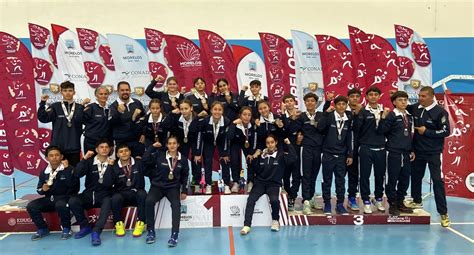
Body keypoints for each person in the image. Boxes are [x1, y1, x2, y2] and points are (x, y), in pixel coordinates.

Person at [408, 86, 451, 227]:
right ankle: (416, 200)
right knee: (415, 176)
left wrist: (426, 132)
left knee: (437, 181)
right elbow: (400, 106)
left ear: (432, 96)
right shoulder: (415, 108)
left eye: (424, 96)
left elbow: (446, 131)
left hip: (433, 152)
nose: (420, 98)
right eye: (419, 95)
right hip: (418, 151)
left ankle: (443, 214)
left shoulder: (440, 112)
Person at [240, 135, 296, 235]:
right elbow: (255, 168)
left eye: (272, 142)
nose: (270, 145)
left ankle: (275, 221)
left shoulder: (281, 155)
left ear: (276, 143)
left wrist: (289, 144)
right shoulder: (262, 154)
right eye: (268, 143)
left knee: (274, 200)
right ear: (266, 144)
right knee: (251, 200)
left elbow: (292, 158)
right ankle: (247, 225)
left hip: (274, 184)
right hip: (260, 183)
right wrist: (255, 157)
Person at [142, 136, 189, 246]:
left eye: (174, 143)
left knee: (176, 205)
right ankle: (151, 231)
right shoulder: (159, 155)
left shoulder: (183, 159)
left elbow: (185, 175)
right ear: (167, 145)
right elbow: (144, 160)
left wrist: (184, 190)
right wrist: (151, 147)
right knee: (149, 201)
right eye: (170, 143)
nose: (172, 145)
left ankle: (174, 234)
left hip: (173, 187)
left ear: (178, 145)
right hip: (157, 186)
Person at [68, 139, 115, 246]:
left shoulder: (113, 163)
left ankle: (96, 231)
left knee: (108, 201)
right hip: (89, 194)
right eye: (101, 147)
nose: (104, 149)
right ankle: (85, 227)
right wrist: (84, 159)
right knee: (73, 201)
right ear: (96, 149)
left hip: (104, 194)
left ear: (110, 149)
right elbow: (77, 174)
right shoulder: (89, 162)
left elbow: (111, 182)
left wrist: (111, 167)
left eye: (106, 147)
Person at [26, 146, 78, 240]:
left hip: (65, 197)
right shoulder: (44, 172)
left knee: (60, 204)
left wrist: (66, 170)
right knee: (31, 206)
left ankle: (67, 228)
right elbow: (39, 189)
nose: (54, 157)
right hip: (50, 199)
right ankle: (42, 228)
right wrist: (43, 189)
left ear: (61, 156)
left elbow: (73, 185)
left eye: (57, 155)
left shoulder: (70, 169)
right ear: (47, 158)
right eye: (51, 155)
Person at [378, 91, 415, 216]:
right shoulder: (392, 115)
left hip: (406, 153)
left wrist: (411, 150)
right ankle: (392, 203)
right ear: (394, 102)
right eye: (400, 100)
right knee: (392, 180)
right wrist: (383, 117)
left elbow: (410, 135)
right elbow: (382, 131)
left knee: (405, 179)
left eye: (405, 100)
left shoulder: (409, 116)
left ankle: (400, 201)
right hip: (393, 152)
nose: (403, 102)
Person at [353, 86, 386, 214]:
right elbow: (356, 130)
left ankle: (378, 199)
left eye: (375, 94)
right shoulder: (363, 111)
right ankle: (366, 200)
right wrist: (358, 116)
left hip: (381, 148)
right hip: (366, 148)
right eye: (370, 94)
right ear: (366, 97)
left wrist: (383, 118)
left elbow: (386, 130)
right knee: (365, 176)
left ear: (379, 96)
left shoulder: (385, 111)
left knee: (380, 175)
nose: (373, 96)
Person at [318, 96, 353, 215]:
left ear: (346, 105)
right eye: (339, 104)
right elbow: (320, 128)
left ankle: (339, 204)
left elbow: (349, 139)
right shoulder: (329, 116)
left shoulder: (348, 118)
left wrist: (350, 154)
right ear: (335, 105)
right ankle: (327, 203)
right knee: (326, 180)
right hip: (328, 154)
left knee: (340, 181)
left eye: (344, 104)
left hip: (342, 155)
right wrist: (325, 114)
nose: (341, 106)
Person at [290, 93, 325, 215]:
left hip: (318, 149)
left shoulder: (321, 116)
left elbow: (323, 129)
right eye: (307, 101)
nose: (310, 103)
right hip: (306, 149)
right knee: (306, 175)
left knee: (314, 175)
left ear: (316, 103)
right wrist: (293, 119)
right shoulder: (301, 116)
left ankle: (311, 198)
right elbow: (294, 130)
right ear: (304, 103)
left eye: (312, 101)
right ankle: (305, 201)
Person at [37, 81, 84, 166]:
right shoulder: (55, 107)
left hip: (74, 148)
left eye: (70, 90)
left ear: (74, 92)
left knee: (74, 175)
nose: (68, 93)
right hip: (57, 149)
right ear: (61, 92)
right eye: (65, 90)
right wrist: (42, 103)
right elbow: (43, 118)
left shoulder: (80, 107)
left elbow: (88, 122)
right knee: (58, 175)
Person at [111, 144, 147, 237]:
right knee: (115, 197)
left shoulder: (139, 163)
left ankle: (141, 223)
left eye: (126, 150)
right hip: (122, 195)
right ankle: (118, 224)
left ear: (130, 152)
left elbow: (150, 171)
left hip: (136, 193)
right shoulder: (114, 166)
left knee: (142, 194)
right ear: (117, 154)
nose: (124, 153)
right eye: (121, 151)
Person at [195, 102, 231, 194]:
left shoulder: (226, 122)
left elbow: (227, 138)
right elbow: (200, 137)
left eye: (220, 110)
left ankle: (226, 184)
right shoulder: (205, 121)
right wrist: (198, 153)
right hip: (208, 142)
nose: (217, 112)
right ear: (211, 110)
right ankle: (208, 185)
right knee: (208, 162)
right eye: (215, 109)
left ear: (222, 111)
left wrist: (225, 153)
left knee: (225, 160)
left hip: (221, 142)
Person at [168, 99, 202, 193]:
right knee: (181, 162)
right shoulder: (177, 118)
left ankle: (197, 183)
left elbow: (199, 137)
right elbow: (173, 132)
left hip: (194, 142)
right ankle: (181, 184)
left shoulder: (197, 119)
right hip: (182, 142)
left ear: (191, 108)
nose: (184, 111)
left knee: (196, 160)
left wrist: (198, 152)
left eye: (186, 108)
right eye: (181, 109)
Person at [110, 81, 146, 158]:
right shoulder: (113, 106)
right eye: (122, 90)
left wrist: (143, 133)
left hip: (137, 142)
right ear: (118, 91)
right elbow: (111, 123)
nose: (125, 92)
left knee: (139, 166)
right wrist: (118, 112)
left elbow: (143, 119)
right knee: (122, 169)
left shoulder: (137, 103)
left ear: (130, 90)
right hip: (122, 143)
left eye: (127, 90)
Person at [228, 106, 258, 193]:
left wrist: (252, 153)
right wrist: (233, 124)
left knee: (251, 159)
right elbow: (229, 137)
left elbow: (255, 140)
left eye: (249, 115)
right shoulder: (235, 124)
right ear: (240, 115)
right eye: (244, 114)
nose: (246, 117)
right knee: (234, 159)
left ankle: (250, 182)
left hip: (249, 146)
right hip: (235, 145)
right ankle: (236, 182)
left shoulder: (253, 126)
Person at [280, 94, 302, 211]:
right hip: (285, 150)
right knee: (285, 176)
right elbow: (285, 131)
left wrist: (292, 121)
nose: (289, 103)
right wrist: (286, 116)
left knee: (297, 176)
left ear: (294, 102)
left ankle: (293, 197)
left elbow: (298, 129)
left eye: (291, 101)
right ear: (283, 104)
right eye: (286, 101)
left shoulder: (300, 115)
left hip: (297, 149)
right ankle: (288, 194)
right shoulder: (281, 116)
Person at [82, 86, 112, 154]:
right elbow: (81, 120)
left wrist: (111, 144)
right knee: (90, 163)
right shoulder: (90, 107)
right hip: (91, 144)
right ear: (96, 95)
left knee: (105, 164)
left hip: (105, 145)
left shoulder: (110, 108)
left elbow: (110, 128)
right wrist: (82, 105)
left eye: (105, 94)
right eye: (101, 94)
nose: (103, 96)